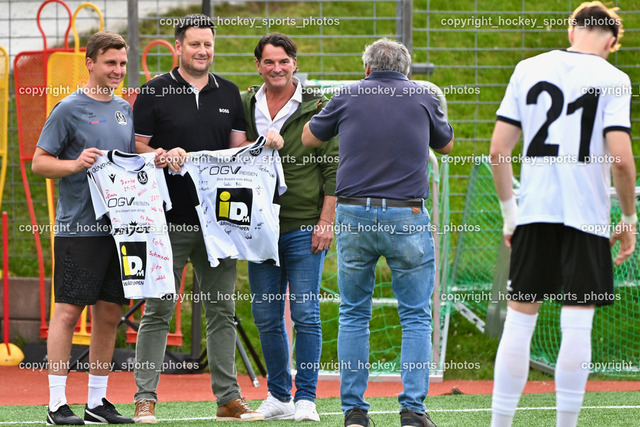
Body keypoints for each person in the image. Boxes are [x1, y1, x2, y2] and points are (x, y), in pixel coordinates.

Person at [488, 3, 635, 427]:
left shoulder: (528, 68)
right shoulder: (613, 78)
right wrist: (628, 220)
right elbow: (621, 160)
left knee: (519, 323)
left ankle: (500, 423)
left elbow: (498, 151)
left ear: (573, 31)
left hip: (535, 212)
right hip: (587, 217)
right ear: (611, 42)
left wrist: (511, 214)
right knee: (577, 326)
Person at [130, 14, 281, 423]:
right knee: (158, 309)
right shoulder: (154, 91)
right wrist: (161, 156)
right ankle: (145, 398)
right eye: (194, 44)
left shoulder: (229, 92)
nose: (202, 51)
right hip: (168, 220)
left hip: (220, 223)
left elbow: (238, 153)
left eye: (208, 45)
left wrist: (265, 144)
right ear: (178, 47)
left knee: (221, 311)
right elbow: (137, 147)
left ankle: (228, 399)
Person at [302, 38, 453, 427]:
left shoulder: (346, 94)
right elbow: (447, 146)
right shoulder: (423, 96)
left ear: (367, 68)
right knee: (416, 315)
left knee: (354, 312)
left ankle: (354, 411)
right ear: (406, 69)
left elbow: (308, 138)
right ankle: (413, 410)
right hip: (407, 214)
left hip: (355, 213)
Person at [32, 31, 135, 425]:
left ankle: (97, 402)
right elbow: (40, 163)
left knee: (109, 314)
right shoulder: (68, 108)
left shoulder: (125, 109)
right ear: (90, 63)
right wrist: (75, 164)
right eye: (110, 63)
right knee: (67, 313)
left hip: (119, 229)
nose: (117, 70)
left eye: (122, 63)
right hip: (78, 229)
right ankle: (56, 404)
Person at [240, 33, 338, 422]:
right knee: (266, 316)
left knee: (306, 314)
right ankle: (279, 395)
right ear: (258, 66)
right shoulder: (247, 104)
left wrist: (326, 221)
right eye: (269, 62)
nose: (277, 68)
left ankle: (307, 398)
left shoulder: (319, 106)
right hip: (259, 228)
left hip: (304, 225)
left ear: (295, 63)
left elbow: (334, 169)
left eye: (284, 61)